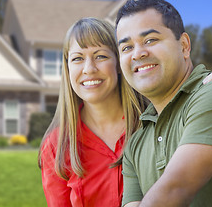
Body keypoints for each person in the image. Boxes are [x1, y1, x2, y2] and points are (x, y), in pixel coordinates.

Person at [115, 0, 212, 206]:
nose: (138, 53)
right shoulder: (135, 145)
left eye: (150, 40)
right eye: (126, 48)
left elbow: (176, 188)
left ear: (184, 45)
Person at [39, 17, 146, 207]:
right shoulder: (56, 146)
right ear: (67, 68)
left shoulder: (150, 122)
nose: (89, 69)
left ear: (119, 63)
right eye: (78, 59)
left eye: (100, 56)